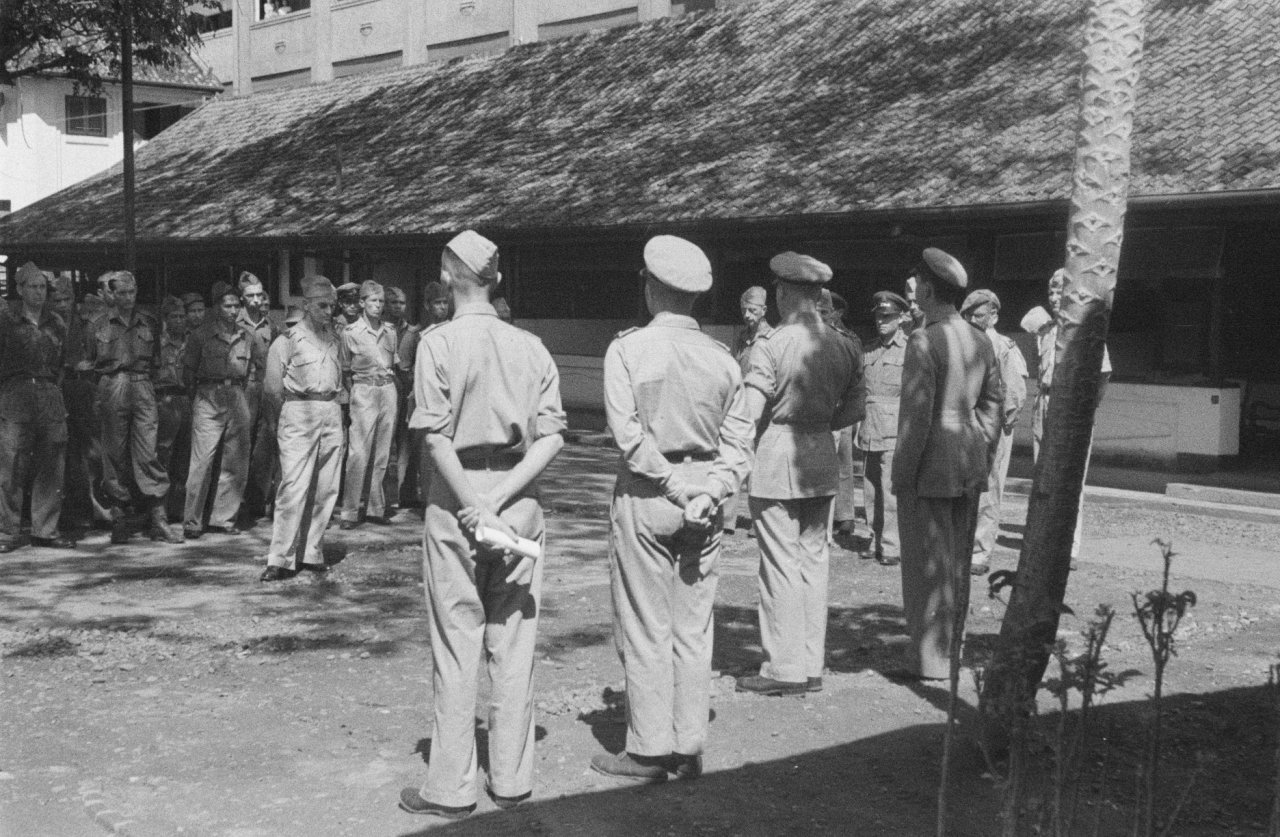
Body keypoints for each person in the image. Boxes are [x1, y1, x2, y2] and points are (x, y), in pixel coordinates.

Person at [399, 230, 566, 819]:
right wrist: (500, 498)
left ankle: (450, 787)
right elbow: (552, 437)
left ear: (447, 278)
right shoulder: (531, 345)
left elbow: (434, 437)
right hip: (517, 501)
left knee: (457, 640)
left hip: (457, 501)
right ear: (497, 280)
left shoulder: (437, 343)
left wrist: (475, 502)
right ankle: (513, 778)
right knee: (513, 641)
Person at [591, 236, 753, 783]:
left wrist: (676, 488)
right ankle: (688, 743)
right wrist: (708, 492)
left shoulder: (627, 349)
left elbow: (628, 436)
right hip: (707, 494)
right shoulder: (722, 357)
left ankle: (648, 749)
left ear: (651, 287)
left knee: (645, 622)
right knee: (694, 623)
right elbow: (739, 443)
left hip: (649, 492)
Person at [736, 252, 864, 697]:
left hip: (777, 454)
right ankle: (811, 664)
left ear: (784, 293)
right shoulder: (845, 343)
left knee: (779, 564)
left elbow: (750, 411)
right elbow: (856, 407)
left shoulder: (771, 345)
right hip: (821, 455)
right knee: (813, 562)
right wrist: (819, 423)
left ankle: (783, 668)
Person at [891, 248, 1002, 680]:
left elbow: (916, 419)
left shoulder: (923, 340)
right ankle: (953, 651)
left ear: (929, 289)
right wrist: (982, 450)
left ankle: (929, 659)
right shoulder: (980, 339)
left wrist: (903, 474)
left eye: (918, 283)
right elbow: (993, 405)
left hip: (930, 464)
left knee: (926, 565)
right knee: (957, 562)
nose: (914, 290)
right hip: (968, 457)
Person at [81, 271, 184, 544]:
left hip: (142, 385)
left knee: (148, 453)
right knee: (113, 454)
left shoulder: (149, 321)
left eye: (132, 292)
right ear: (112, 294)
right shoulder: (97, 324)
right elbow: (89, 361)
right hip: (112, 385)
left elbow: (157, 361)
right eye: (122, 293)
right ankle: (119, 518)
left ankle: (158, 519)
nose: (128, 298)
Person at [1023, 269, 1111, 565]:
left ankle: (1068, 546)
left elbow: (1103, 373)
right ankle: (1042, 540)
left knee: (1071, 480)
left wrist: (1086, 407)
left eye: (1060, 291)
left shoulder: (1086, 330)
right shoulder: (1045, 330)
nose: (1054, 297)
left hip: (1071, 406)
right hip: (1044, 401)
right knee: (1042, 476)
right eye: (1050, 291)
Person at [261, 277, 346, 581]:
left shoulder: (335, 339)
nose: (329, 311)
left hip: (331, 410)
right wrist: (282, 421)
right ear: (307, 305)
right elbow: (272, 389)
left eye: (332, 306)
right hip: (299, 410)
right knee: (293, 487)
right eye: (323, 305)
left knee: (326, 487)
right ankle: (280, 558)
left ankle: (312, 552)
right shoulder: (287, 340)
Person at [0, 263, 75, 552]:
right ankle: (7, 532)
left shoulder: (57, 322)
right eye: (33, 286)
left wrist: (51, 389)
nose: (39, 292)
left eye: (43, 287)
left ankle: (46, 530)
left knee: (52, 462)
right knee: (12, 465)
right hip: (16, 394)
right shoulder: (6, 321)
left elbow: (63, 363)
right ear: (19, 290)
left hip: (49, 393)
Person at [962, 290, 1028, 576]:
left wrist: (1003, 424)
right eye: (968, 316)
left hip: (993, 426)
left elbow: (1015, 390)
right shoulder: (961, 344)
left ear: (994, 317)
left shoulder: (1003, 346)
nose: (972, 321)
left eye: (978, 316)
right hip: (964, 425)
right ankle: (961, 546)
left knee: (988, 489)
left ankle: (980, 550)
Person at [181, 289, 254, 539]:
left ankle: (223, 518)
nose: (233, 311)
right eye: (227, 306)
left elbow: (250, 371)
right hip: (208, 395)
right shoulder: (201, 336)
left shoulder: (246, 336)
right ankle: (192, 521)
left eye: (236, 306)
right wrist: (200, 398)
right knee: (202, 462)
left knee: (235, 461)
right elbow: (188, 372)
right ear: (216, 309)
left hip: (236, 394)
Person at [339, 280, 399, 528]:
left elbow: (394, 363)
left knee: (382, 452)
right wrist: (354, 394)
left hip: (387, 389)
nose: (378, 305)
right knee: (358, 453)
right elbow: (344, 369)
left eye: (381, 301)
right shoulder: (350, 333)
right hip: (363, 389)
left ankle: (375, 508)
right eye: (373, 301)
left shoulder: (390, 331)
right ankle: (350, 511)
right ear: (362, 303)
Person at [855, 291, 910, 566]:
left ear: (900, 319)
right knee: (870, 489)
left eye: (887, 316)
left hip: (893, 428)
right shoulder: (869, 349)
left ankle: (891, 545)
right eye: (878, 316)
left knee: (890, 492)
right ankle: (873, 538)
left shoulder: (909, 349)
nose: (881, 321)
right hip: (869, 427)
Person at [395, 280, 453, 511]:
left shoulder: (454, 331)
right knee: (424, 454)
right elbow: (407, 367)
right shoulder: (420, 335)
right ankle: (425, 500)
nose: (442, 307)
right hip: (422, 398)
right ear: (428, 306)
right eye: (437, 303)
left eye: (445, 303)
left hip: (447, 398)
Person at [820, 288, 862, 547]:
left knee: (843, 464)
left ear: (838, 313)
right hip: (821, 409)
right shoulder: (814, 336)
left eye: (826, 312)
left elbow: (856, 374)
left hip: (841, 407)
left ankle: (844, 515)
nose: (822, 316)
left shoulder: (848, 339)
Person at [237, 272, 279, 520]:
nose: (255, 300)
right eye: (250, 295)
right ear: (242, 297)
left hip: (265, 387)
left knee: (265, 443)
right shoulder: (235, 322)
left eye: (259, 295)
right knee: (241, 443)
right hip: (243, 387)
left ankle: (257, 500)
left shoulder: (270, 325)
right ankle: (235, 502)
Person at [155, 295, 192, 522]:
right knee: (163, 455)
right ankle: (159, 510)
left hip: (186, 400)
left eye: (182, 316)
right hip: (165, 400)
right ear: (165, 319)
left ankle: (177, 509)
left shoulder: (191, 342)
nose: (179, 320)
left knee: (184, 456)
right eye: (174, 317)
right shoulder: (157, 344)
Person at [731, 286, 773, 373]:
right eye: (743, 310)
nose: (746, 315)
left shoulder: (773, 338)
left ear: (763, 310)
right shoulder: (741, 337)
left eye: (752, 310)